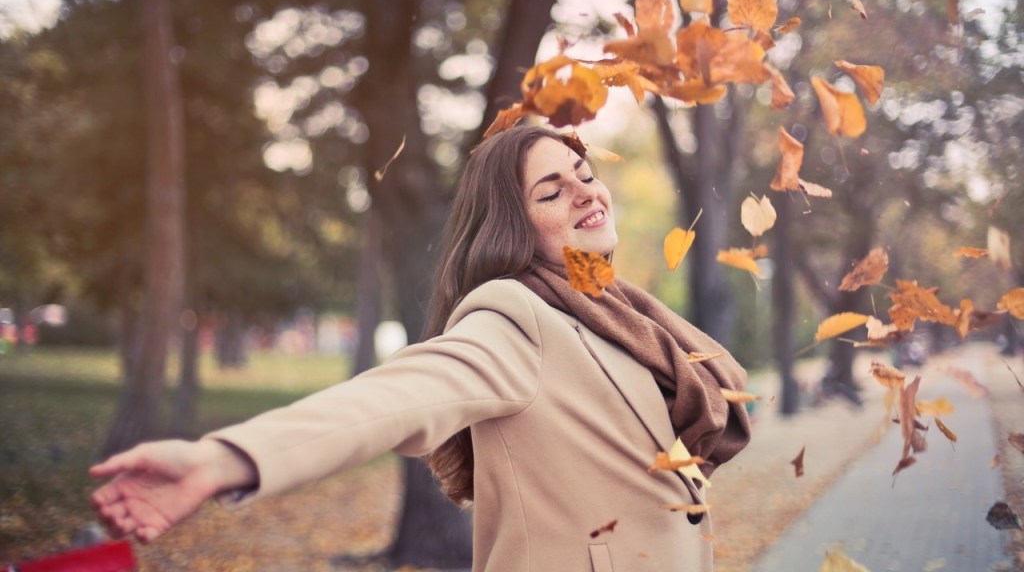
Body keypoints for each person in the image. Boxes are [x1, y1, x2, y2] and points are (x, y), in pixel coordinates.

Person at [90, 125, 752, 571]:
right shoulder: (517, 313)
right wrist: (223, 459)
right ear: (514, 228)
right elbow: (395, 398)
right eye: (551, 190)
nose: (583, 191)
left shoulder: (625, 316)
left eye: (583, 174)